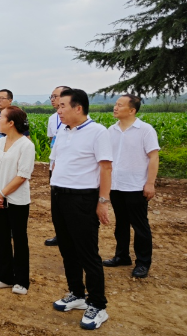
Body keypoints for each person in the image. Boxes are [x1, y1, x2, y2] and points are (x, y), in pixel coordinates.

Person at [50, 88, 111, 330]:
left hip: (82, 198)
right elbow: (57, 162)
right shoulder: (63, 131)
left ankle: (97, 304)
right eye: (58, 106)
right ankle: (76, 293)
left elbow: (106, 168)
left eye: (63, 106)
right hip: (59, 196)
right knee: (67, 248)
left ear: (78, 108)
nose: (58, 110)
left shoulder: (98, 132)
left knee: (87, 252)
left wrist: (102, 202)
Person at [104, 94, 159, 279]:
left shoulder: (145, 130)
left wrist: (150, 183)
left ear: (132, 110)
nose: (115, 107)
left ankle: (143, 262)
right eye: (115, 104)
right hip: (116, 185)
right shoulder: (111, 130)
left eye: (120, 105)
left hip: (136, 186)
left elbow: (153, 157)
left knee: (140, 225)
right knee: (121, 223)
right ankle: (122, 256)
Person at [0, 106, 35, 295]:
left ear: (11, 123)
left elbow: (23, 175)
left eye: (1, 118)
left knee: (19, 238)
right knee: (2, 237)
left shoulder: (26, 145)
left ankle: (21, 280)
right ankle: (4, 276)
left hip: (16, 200)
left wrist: (1, 194)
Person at [44, 86, 70, 247]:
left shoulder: (81, 119)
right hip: (55, 166)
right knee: (57, 203)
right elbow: (52, 140)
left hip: (71, 168)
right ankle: (60, 234)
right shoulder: (52, 119)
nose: (53, 100)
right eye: (51, 97)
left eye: (56, 96)